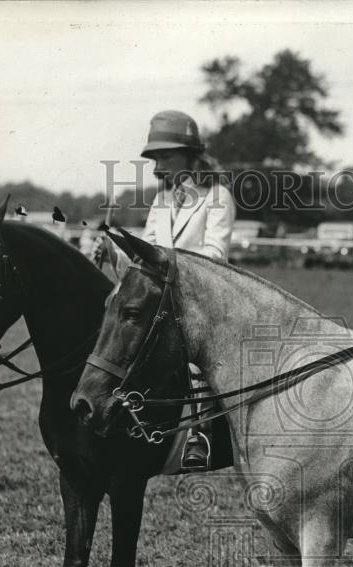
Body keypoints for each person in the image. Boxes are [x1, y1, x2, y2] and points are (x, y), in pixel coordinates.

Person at [94, 110, 236, 471]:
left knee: (194, 350)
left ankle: (200, 434)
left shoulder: (217, 196)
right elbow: (147, 256)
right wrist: (114, 251)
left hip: (204, 297)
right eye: (155, 159)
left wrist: (168, 265)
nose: (158, 167)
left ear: (191, 156)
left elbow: (214, 256)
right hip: (165, 297)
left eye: (165, 157)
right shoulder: (161, 201)